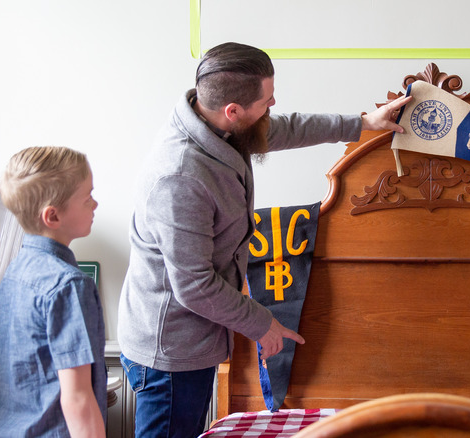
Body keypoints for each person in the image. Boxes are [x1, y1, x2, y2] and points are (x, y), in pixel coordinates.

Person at [117, 42, 411, 437]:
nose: (273, 107)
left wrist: (362, 122)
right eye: (266, 103)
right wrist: (262, 324)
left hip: (196, 339)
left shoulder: (219, 125)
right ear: (233, 111)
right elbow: (193, 285)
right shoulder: (181, 176)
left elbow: (284, 127)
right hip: (170, 351)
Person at [0, 146, 106, 437]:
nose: (96, 204)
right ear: (52, 216)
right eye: (87, 197)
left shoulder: (15, 270)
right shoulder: (69, 285)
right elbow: (77, 398)